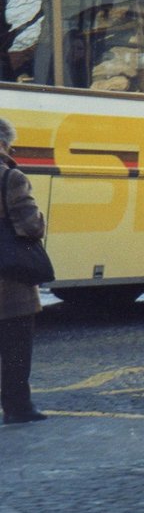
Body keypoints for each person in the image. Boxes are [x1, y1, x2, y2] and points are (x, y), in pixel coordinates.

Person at [0, 117, 48, 425]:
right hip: (9, 280)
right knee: (16, 348)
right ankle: (18, 408)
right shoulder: (11, 178)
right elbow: (31, 225)